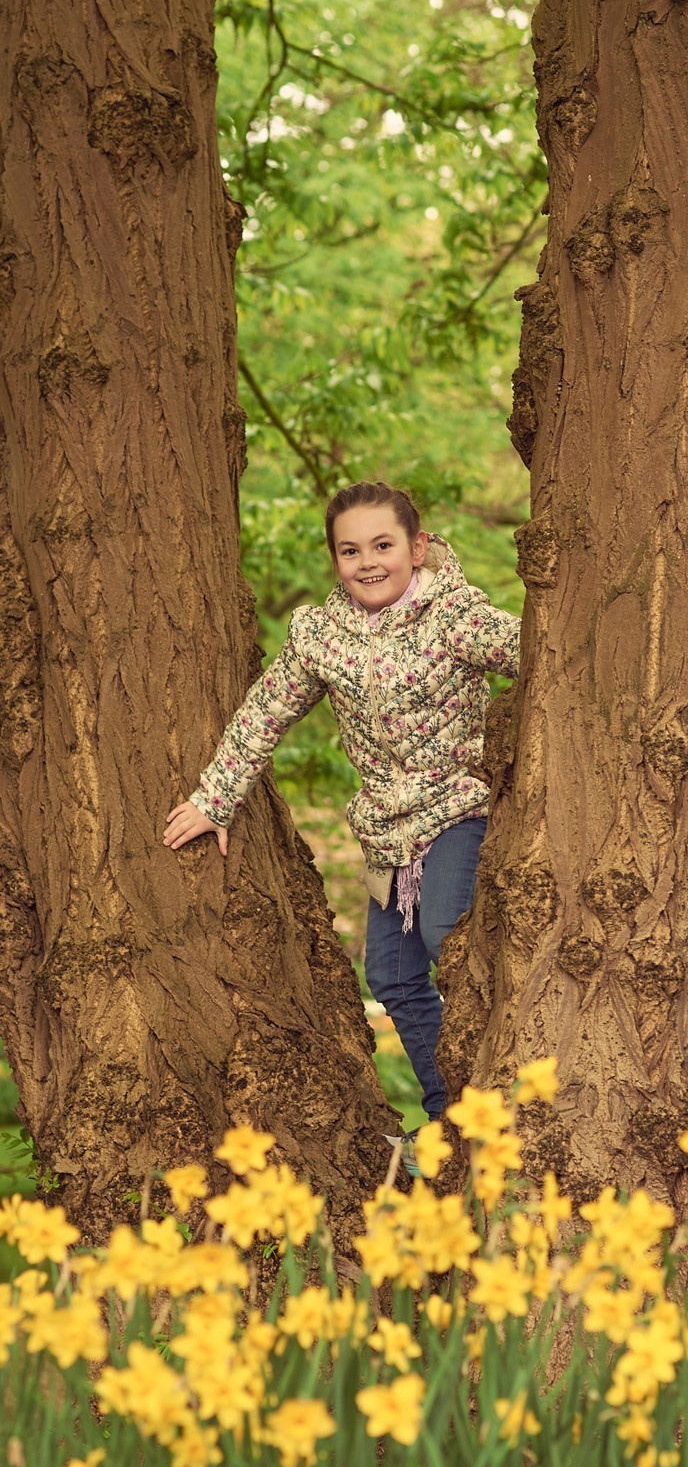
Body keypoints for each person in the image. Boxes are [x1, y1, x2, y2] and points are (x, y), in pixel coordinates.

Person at [164, 480, 520, 1127]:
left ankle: (511, 1090)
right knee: (391, 977)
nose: (369, 562)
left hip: (458, 808)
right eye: (351, 551)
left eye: (383, 545)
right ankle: (449, 1117)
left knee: (448, 933)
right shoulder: (322, 635)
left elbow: (541, 654)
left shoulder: (455, 616)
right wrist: (215, 798)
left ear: (416, 548)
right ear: (336, 561)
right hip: (387, 832)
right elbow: (265, 712)